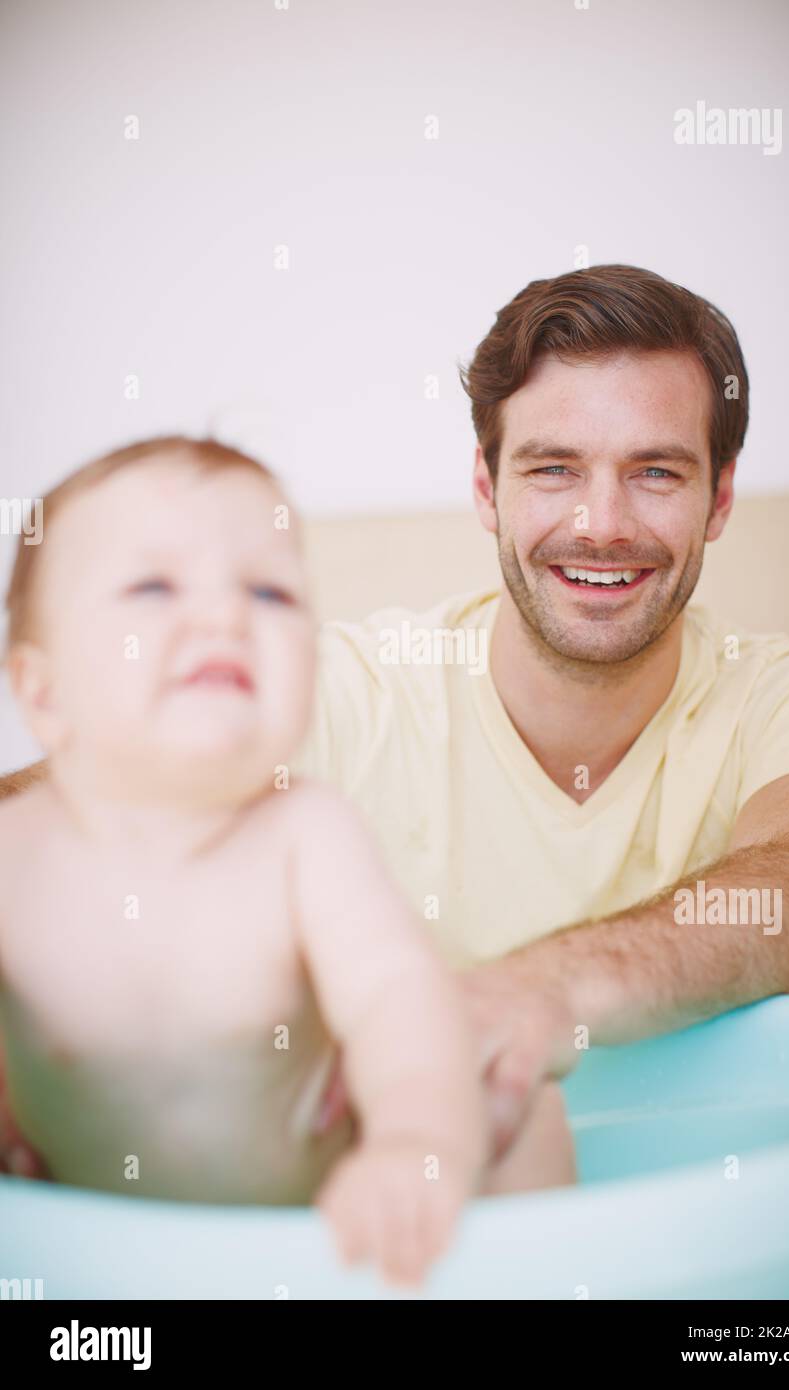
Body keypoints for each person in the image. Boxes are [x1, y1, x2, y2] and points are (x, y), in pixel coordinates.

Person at [3, 264, 789, 1178]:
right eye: (553, 469)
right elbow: (55, 825)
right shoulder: (328, 696)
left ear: (719, 499)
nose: (602, 523)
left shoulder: (788, 695)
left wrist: (538, 990)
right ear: (488, 490)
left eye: (656, 471)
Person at [0, 437, 575, 1288]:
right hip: (107, 1261)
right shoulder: (16, 861)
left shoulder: (306, 836)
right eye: (154, 586)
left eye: (269, 591)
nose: (224, 617)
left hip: (331, 1242)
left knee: (528, 1116)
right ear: (43, 694)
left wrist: (415, 1144)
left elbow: (397, 1003)